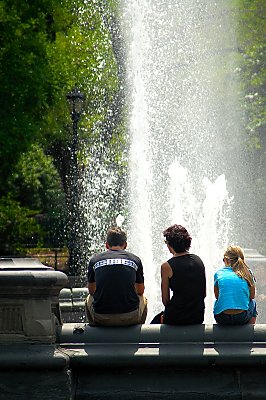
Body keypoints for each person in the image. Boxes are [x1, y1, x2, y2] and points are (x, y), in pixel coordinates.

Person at [85, 226, 148, 326]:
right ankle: (138, 329)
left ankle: (94, 326)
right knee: (143, 298)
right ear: (125, 245)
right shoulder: (135, 260)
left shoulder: (94, 260)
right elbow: (140, 291)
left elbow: (92, 291)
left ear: (106, 245)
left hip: (101, 317)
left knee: (89, 298)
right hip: (130, 317)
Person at [151, 224, 206, 325]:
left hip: (176, 317)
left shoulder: (166, 266)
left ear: (170, 244)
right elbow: (204, 293)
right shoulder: (199, 261)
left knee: (153, 324)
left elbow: (165, 300)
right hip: (197, 316)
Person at [213, 245, 257, 325]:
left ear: (226, 260)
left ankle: (221, 332)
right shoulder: (248, 273)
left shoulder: (218, 273)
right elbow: (252, 296)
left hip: (222, 318)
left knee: (217, 302)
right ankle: (250, 332)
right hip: (242, 317)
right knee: (253, 302)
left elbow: (217, 296)